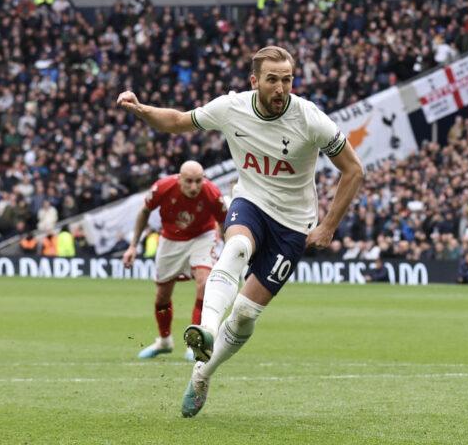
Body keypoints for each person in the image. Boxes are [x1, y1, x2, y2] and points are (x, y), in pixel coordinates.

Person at [117, 45, 364, 417]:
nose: (281, 88)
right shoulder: (231, 108)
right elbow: (176, 121)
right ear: (255, 81)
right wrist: (141, 110)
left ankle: (203, 372)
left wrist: (328, 225)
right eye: (272, 80)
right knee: (235, 249)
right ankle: (207, 330)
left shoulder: (310, 119)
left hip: (293, 225)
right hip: (250, 201)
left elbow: (354, 169)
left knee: (247, 313)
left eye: (287, 80)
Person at [122, 160, 228, 361]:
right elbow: (144, 212)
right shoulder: (162, 187)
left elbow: (225, 221)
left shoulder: (212, 193)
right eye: (189, 181)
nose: (194, 187)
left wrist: (228, 249)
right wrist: (133, 245)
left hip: (202, 238)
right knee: (162, 296)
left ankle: (195, 343)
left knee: (204, 284)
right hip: (170, 240)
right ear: (179, 179)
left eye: (198, 181)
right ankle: (164, 341)